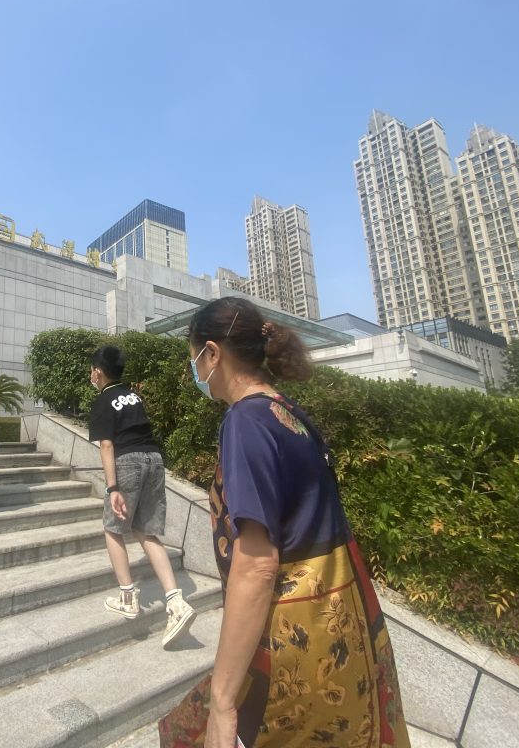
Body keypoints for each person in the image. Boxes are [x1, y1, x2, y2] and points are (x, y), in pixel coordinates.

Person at [159, 298, 409, 748]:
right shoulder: (288, 412)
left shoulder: (245, 422)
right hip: (343, 633)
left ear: (212, 354)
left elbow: (257, 564)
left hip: (291, 644)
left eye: (193, 357)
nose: (193, 369)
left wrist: (223, 701)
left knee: (185, 734)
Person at [88, 345, 197, 649]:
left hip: (127, 463)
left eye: (92, 370)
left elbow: (107, 446)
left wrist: (112, 488)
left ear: (98, 372)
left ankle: (127, 597)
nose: (91, 375)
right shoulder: (134, 396)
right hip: (154, 460)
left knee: (112, 528)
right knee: (146, 531)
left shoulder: (104, 399)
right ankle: (176, 603)